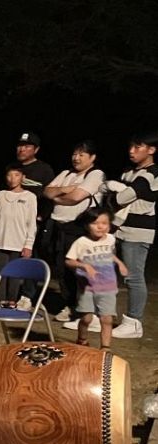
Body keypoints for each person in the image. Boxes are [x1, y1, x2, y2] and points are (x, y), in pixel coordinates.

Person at [102, 130, 156, 339]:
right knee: (108, 272)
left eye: (137, 147)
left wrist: (115, 187)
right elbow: (113, 198)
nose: (131, 151)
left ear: (151, 150)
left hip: (138, 231)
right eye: (130, 147)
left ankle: (134, 322)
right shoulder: (129, 172)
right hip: (118, 228)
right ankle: (104, 315)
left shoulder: (153, 172)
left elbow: (122, 197)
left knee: (133, 276)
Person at [44, 141, 106, 323]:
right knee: (62, 268)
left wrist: (58, 198)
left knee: (81, 270)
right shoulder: (66, 173)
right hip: (59, 226)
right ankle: (70, 305)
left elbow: (76, 197)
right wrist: (64, 189)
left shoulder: (95, 174)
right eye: (75, 154)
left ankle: (86, 310)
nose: (76, 158)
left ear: (92, 158)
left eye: (81, 155)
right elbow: (47, 192)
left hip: (79, 228)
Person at [65, 209, 128, 350]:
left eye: (104, 223)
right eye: (95, 223)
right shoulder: (81, 242)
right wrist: (84, 265)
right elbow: (69, 261)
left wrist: (120, 263)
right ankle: (82, 339)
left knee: (107, 319)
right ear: (87, 225)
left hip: (108, 287)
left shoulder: (111, 239)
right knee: (86, 318)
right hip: (88, 287)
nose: (100, 226)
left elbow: (110, 254)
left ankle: (105, 348)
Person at [0, 164, 38, 307]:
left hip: (18, 242)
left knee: (15, 272)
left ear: (23, 177)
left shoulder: (30, 197)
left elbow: (31, 223)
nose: (12, 178)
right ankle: (0, 299)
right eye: (9, 175)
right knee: (0, 270)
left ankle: (12, 299)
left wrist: (28, 244)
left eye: (16, 175)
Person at [14, 132, 55, 311]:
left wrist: (41, 218)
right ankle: (6, 294)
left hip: (34, 222)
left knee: (32, 256)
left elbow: (49, 197)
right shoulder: (12, 167)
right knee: (8, 257)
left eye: (27, 146)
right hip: (12, 222)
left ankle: (27, 296)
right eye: (20, 145)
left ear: (36, 149)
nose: (22, 149)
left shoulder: (44, 170)